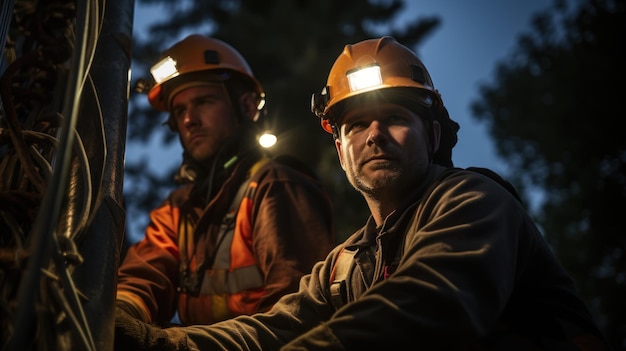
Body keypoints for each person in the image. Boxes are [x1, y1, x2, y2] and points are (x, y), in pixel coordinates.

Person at [114, 36, 610, 350]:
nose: (373, 135)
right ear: (340, 147)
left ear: (433, 136)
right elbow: (272, 328)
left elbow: (427, 308)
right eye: (354, 126)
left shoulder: (473, 202)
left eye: (395, 118)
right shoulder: (348, 261)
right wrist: (153, 341)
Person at [115, 34, 335, 328]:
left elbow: (297, 315)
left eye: (203, 102)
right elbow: (144, 277)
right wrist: (118, 317)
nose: (190, 120)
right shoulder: (180, 210)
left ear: (246, 106)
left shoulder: (274, 185)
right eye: (180, 111)